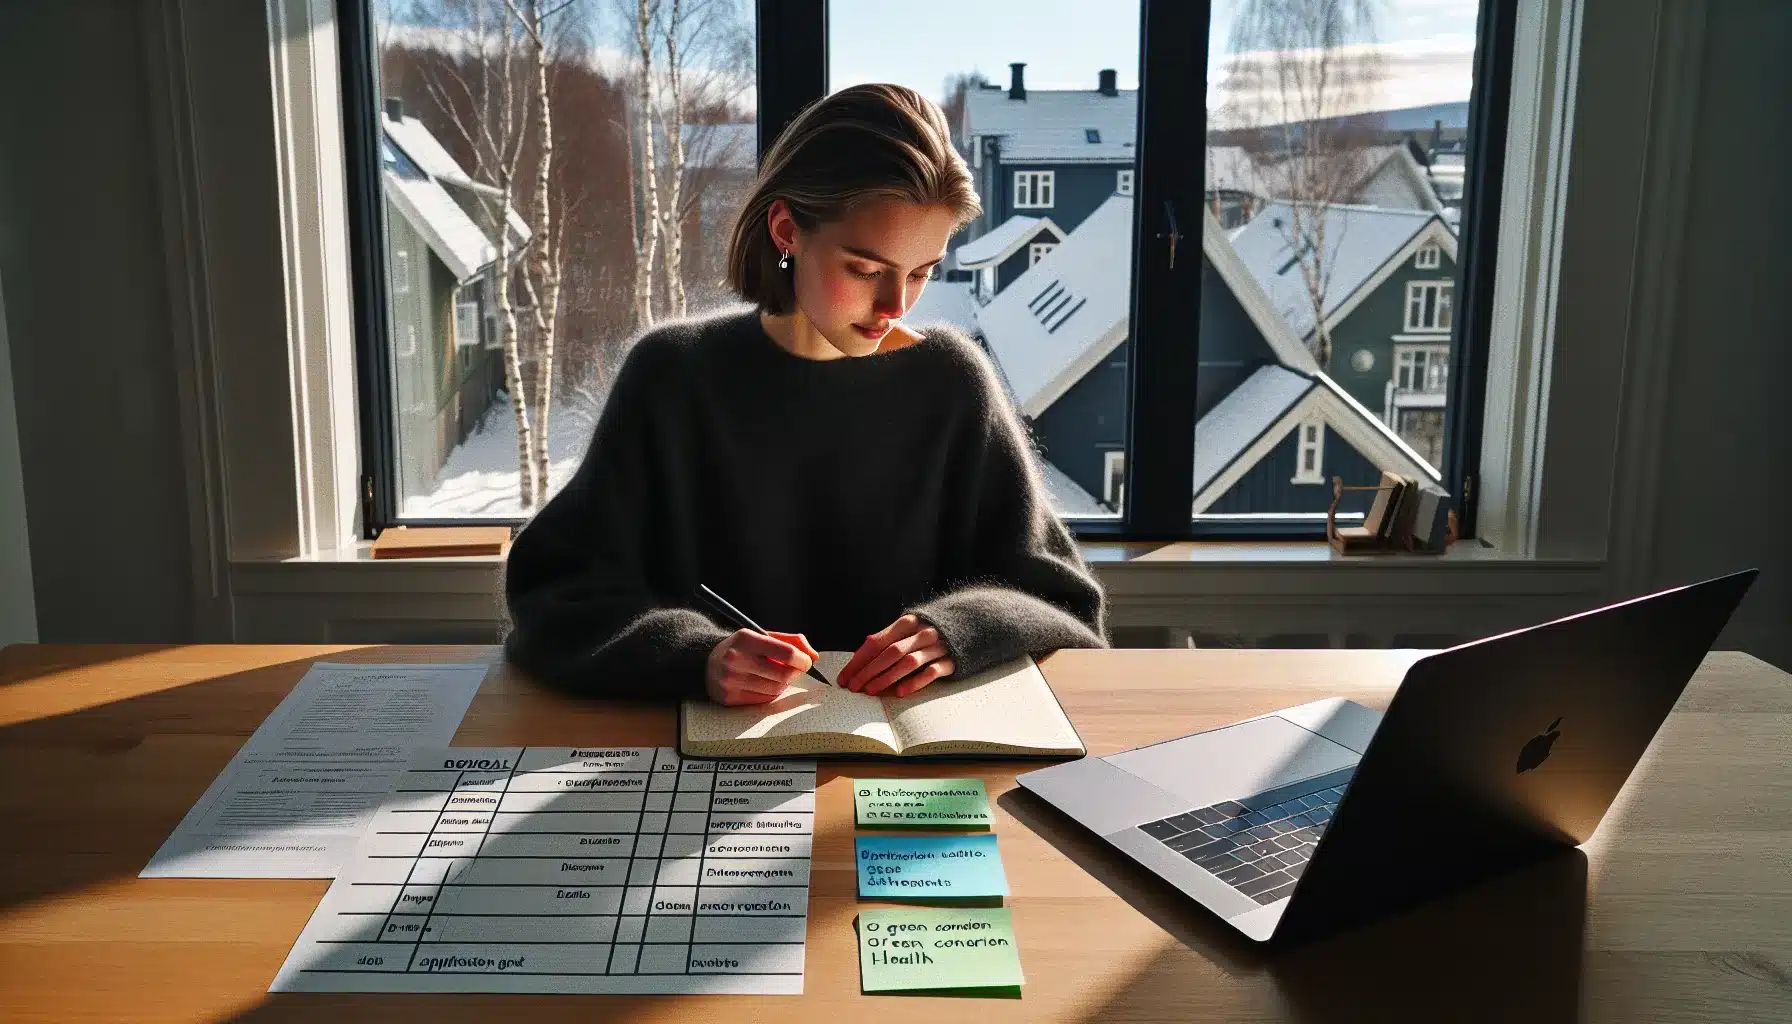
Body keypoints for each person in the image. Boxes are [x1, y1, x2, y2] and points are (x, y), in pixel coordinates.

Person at [503, 83, 1108, 707]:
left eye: (923, 271)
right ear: (787, 229)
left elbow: (1061, 599)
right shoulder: (673, 376)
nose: (896, 306)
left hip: (917, 775)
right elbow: (554, 593)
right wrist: (696, 657)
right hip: (712, 771)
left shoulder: (954, 381)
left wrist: (960, 631)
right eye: (866, 271)